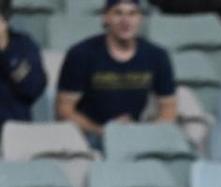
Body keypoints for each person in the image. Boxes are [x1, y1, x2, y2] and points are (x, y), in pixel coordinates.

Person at [55, 0, 176, 142]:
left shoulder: (157, 55)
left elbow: (169, 108)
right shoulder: (81, 54)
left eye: (132, 14)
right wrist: (103, 131)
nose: (126, 21)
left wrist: (144, 134)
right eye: (118, 13)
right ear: (105, 18)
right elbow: (64, 110)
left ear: (140, 19)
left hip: (135, 134)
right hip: (89, 135)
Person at [0, 0, 47, 128]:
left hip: (14, 128)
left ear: (4, 20)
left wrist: (5, 50)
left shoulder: (23, 46)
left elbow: (33, 89)